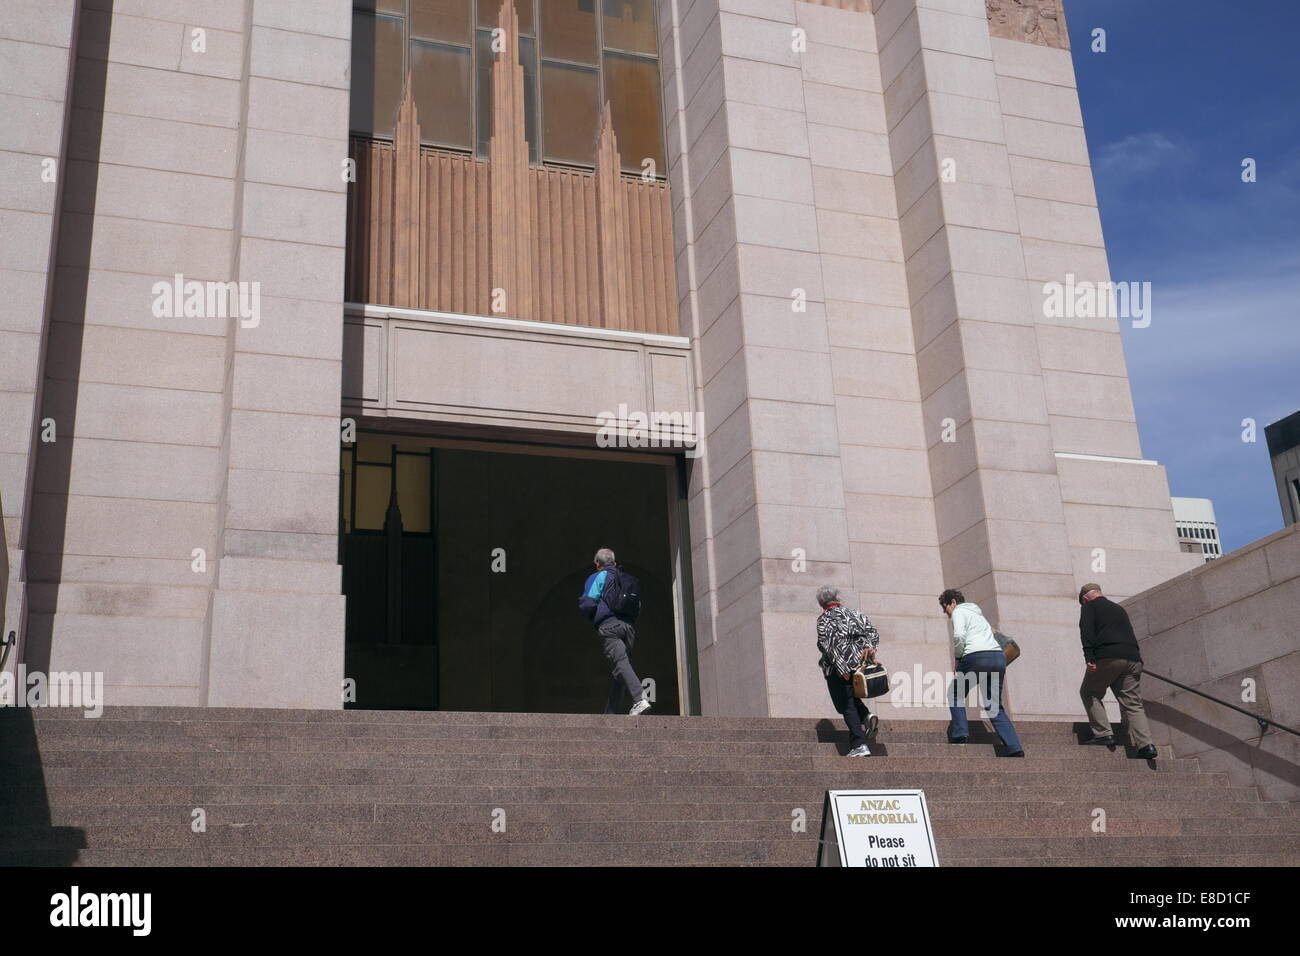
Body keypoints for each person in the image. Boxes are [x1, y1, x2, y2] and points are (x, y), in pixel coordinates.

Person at [940, 589, 1024, 757]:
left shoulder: (959, 611)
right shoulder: (978, 614)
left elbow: (958, 636)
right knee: (994, 705)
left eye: (945, 607)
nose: (945, 612)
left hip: (976, 657)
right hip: (998, 658)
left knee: (955, 693)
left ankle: (960, 734)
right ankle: (1014, 747)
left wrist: (957, 657)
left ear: (953, 602)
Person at [1077, 583, 1157, 759]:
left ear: (1084, 598)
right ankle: (1146, 745)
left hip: (1108, 657)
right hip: (1133, 659)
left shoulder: (1089, 607)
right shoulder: (1118, 608)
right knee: (1133, 703)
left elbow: (1087, 633)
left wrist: (1089, 658)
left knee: (1089, 692)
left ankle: (1104, 733)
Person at [578, 548, 650, 716]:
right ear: (615, 564)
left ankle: (640, 698)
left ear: (597, 564)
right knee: (621, 669)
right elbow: (638, 606)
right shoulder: (628, 579)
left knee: (621, 664)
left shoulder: (598, 576)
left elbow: (588, 602)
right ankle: (611, 713)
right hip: (628, 628)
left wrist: (595, 618)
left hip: (609, 626)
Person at [815, 586, 880, 757]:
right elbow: (872, 632)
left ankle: (859, 744)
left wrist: (842, 667)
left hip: (838, 669)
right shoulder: (854, 613)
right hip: (860, 664)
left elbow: (829, 646)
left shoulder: (824, 620)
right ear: (838, 598)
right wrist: (870, 648)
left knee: (846, 705)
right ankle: (866, 715)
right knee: (851, 699)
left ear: (821, 603)